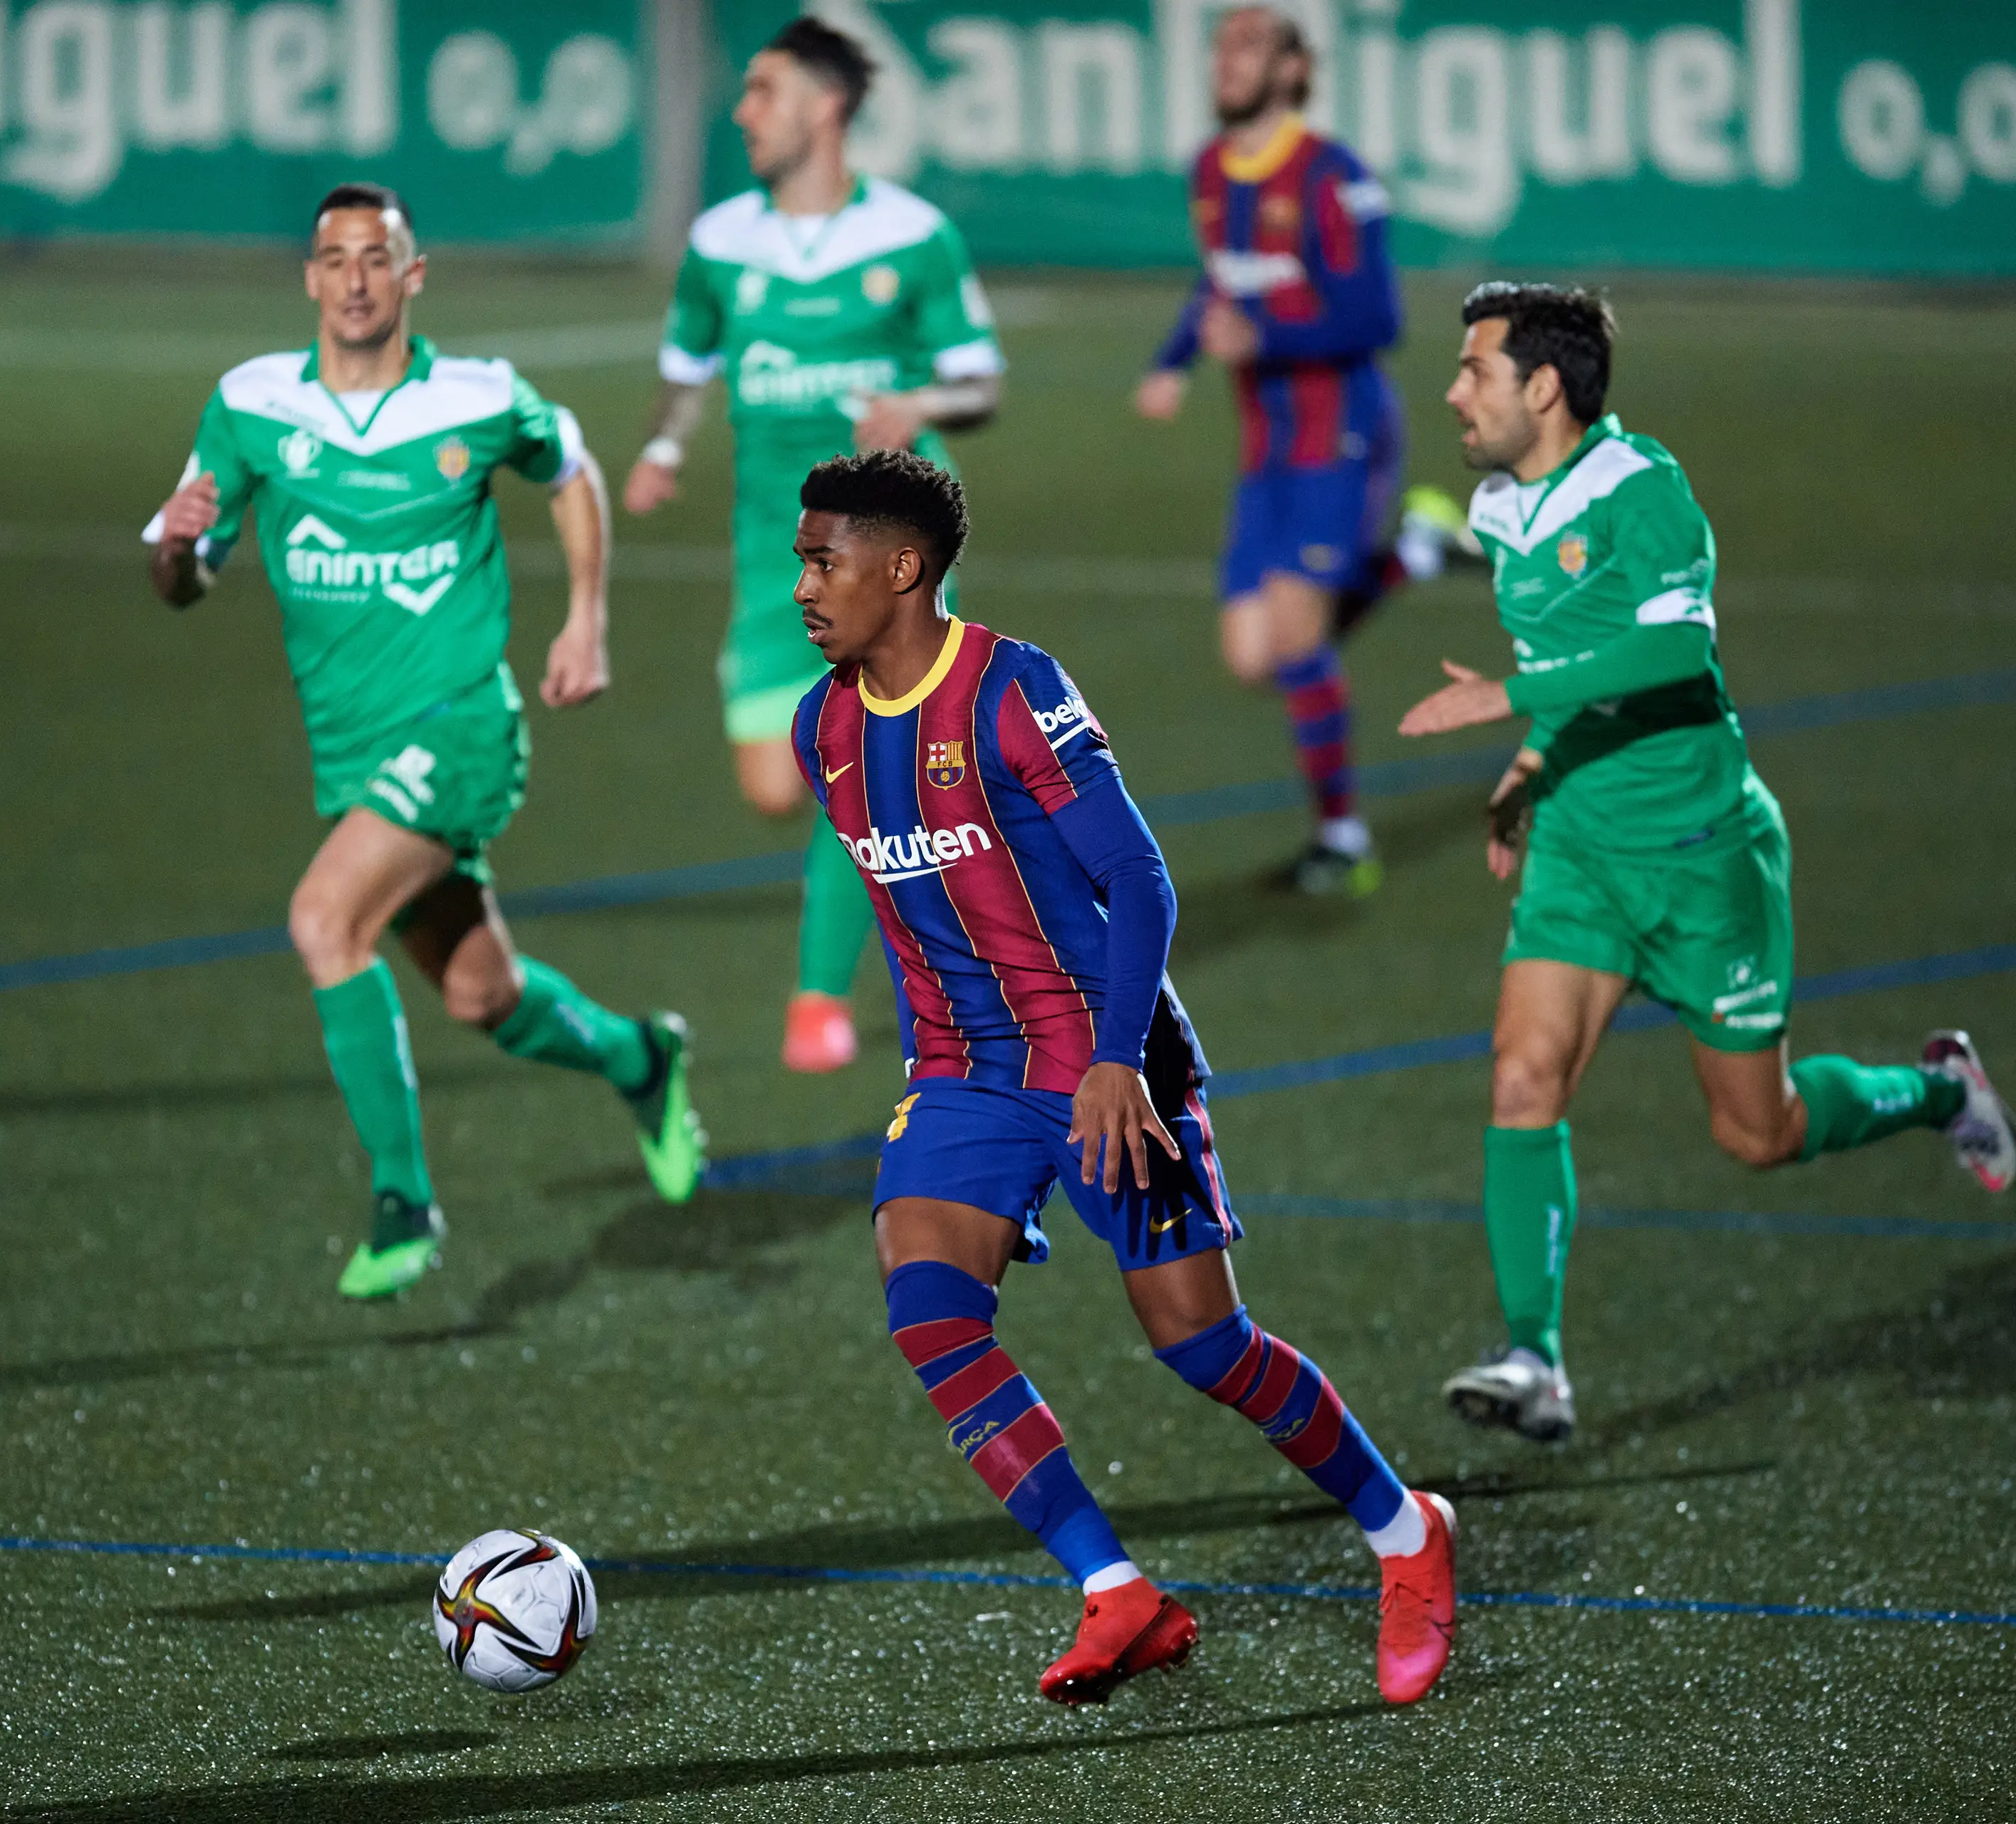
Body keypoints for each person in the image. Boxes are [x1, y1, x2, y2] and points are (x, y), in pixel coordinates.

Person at [789, 450, 1458, 1707]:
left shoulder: (1009, 688)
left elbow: (1140, 878)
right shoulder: (822, 722)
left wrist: (1113, 1062)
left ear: (902, 567)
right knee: (931, 1314)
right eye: (800, 563)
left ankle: (1405, 1531)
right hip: (965, 1075)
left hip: (1108, 1059)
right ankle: (1118, 1592)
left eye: (823, 561)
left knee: (1202, 1345)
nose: (803, 587)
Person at [1398, 283, 2016, 1441]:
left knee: (1758, 1133)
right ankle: (1535, 1356)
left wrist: (1508, 699)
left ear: (1544, 387)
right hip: (1583, 851)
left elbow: (1675, 646)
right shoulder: (1499, 511)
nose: (1453, 391)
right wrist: (1533, 765)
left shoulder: (1647, 494)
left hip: (1702, 859)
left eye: (1474, 369)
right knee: (1523, 1079)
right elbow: (1574, 655)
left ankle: (1943, 1091)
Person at [145, 184, 705, 1301]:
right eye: (333, 258)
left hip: (460, 728)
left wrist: (585, 617)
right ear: (310, 278)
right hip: (351, 750)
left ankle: (404, 1199)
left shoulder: (477, 397)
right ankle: (643, 1057)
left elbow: (574, 472)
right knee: (481, 998)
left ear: (413, 275)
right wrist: (181, 548)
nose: (354, 279)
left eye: (376, 258)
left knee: (322, 919)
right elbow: (180, 573)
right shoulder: (250, 405)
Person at [625, 16, 1004, 1072]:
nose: (741, 112)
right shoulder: (720, 243)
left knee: (864, 762)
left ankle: (819, 997)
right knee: (772, 785)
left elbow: (981, 380)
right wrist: (662, 447)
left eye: (762, 91)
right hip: (771, 558)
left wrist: (920, 398)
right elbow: (687, 359)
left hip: (891, 554)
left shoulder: (913, 235)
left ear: (825, 107)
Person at [1134, 5, 1462, 898]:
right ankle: (1417, 553)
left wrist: (1263, 338)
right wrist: (1174, 362)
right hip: (1266, 445)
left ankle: (1344, 839)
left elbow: (1377, 316)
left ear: (1291, 68)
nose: (1224, 63)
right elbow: (1221, 278)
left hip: (1341, 431)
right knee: (1252, 657)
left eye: (1247, 47)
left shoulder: (1332, 174)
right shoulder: (1209, 170)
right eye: (1219, 48)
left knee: (1292, 638)